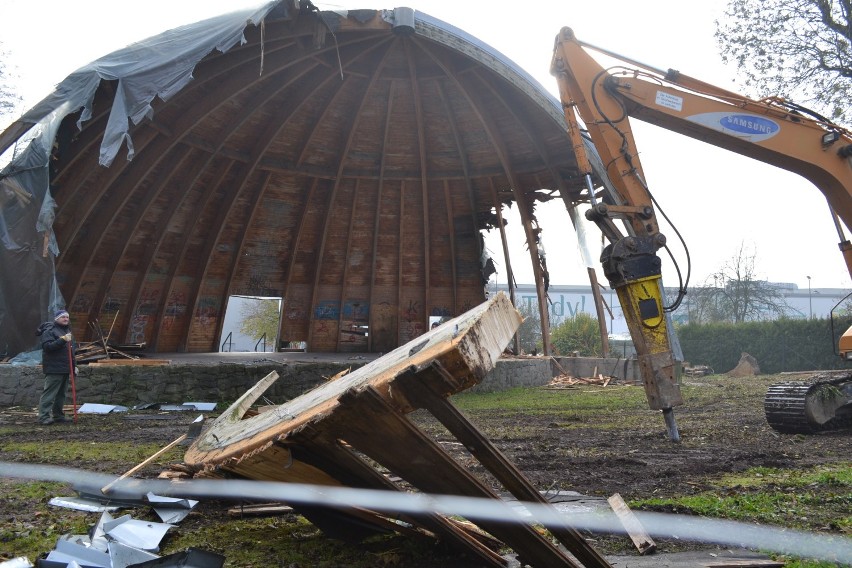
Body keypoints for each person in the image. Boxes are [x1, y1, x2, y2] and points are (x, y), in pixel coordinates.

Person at [36, 309, 77, 425]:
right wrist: (62, 340)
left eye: (67, 317)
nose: (66, 319)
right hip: (54, 367)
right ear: (56, 318)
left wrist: (74, 366)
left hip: (65, 367)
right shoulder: (49, 331)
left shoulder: (66, 330)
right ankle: (44, 417)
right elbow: (47, 347)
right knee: (50, 393)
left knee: (61, 394)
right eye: (63, 317)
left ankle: (58, 415)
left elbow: (71, 351)